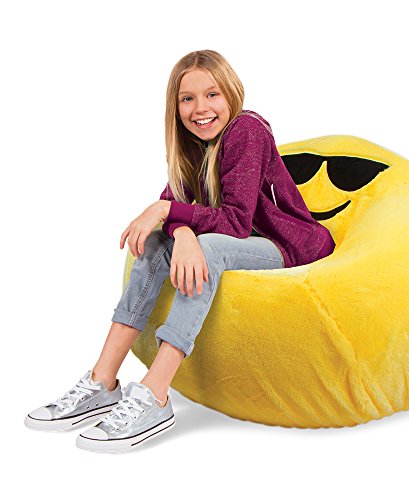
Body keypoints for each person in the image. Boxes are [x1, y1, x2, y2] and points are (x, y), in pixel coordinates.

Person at [24, 49, 336, 453]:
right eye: (187, 98)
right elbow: (177, 208)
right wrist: (180, 229)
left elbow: (235, 221)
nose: (200, 108)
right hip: (237, 239)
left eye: (212, 94)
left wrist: (168, 212)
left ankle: (155, 394)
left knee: (207, 245)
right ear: (175, 106)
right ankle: (102, 381)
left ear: (232, 93)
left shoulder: (247, 130)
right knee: (156, 244)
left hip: (288, 244)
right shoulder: (189, 146)